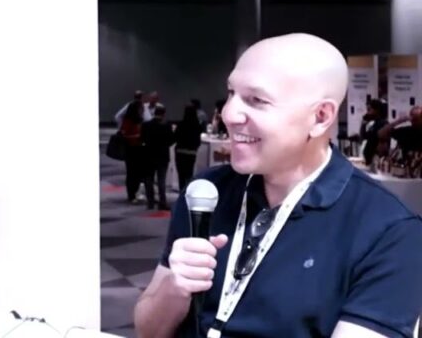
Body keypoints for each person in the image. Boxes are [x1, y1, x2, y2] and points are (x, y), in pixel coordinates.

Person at [133, 33, 422, 338]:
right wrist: (175, 288)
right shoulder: (207, 192)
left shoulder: (389, 231)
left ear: (320, 117)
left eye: (257, 100)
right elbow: (148, 331)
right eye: (231, 93)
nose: (229, 114)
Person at [141, 105, 174, 210]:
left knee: (149, 180)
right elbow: (171, 140)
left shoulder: (146, 125)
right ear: (164, 114)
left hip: (149, 155)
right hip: (162, 156)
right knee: (161, 180)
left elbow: (142, 139)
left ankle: (150, 202)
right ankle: (162, 202)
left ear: (154, 113)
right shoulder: (167, 126)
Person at [173, 105, 203, 194]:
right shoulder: (197, 126)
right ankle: (188, 193)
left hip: (180, 152)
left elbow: (175, 138)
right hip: (191, 153)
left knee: (181, 175)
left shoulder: (181, 124)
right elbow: (198, 141)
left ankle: (181, 192)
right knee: (189, 174)